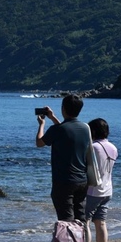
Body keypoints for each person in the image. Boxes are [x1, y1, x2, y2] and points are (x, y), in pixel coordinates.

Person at [35, 94, 91, 223]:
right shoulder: (85, 128)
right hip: (82, 180)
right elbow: (67, 130)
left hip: (63, 182)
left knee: (66, 221)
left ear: (63, 108)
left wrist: (41, 125)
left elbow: (39, 143)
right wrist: (52, 117)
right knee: (80, 219)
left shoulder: (57, 130)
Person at [86, 117, 118, 242]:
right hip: (107, 190)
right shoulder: (113, 147)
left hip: (93, 190)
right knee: (101, 223)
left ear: (92, 131)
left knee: (84, 222)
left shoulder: (93, 147)